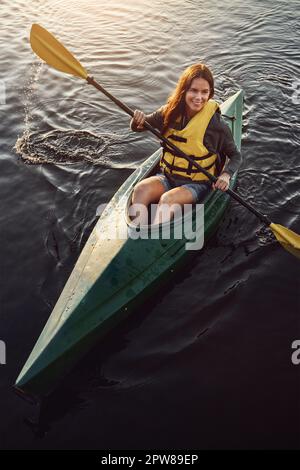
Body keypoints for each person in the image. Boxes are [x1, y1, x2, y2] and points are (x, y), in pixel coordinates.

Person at [130, 63, 242, 225]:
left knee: (167, 200)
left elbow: (236, 156)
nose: (199, 97)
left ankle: (155, 239)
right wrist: (136, 121)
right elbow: (140, 126)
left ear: (210, 94)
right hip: (166, 176)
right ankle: (136, 232)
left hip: (196, 184)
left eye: (205, 92)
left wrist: (226, 174)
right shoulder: (169, 111)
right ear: (184, 90)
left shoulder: (216, 125)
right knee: (140, 190)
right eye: (194, 90)